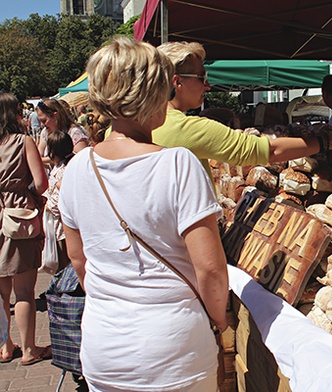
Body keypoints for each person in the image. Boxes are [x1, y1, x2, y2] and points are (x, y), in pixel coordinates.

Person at [59, 36, 229, 391]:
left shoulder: (76, 168)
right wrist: (218, 321)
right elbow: (210, 269)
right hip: (173, 348)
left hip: (104, 345)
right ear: (155, 94)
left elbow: (79, 260)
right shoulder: (178, 163)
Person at [154, 41, 332, 183]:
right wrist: (326, 142)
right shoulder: (186, 129)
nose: (208, 86)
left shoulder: (147, 121)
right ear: (177, 81)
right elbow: (265, 151)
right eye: (202, 77)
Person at [0, 92, 51, 365]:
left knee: (0, 291)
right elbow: (41, 184)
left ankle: (6, 346)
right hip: (19, 216)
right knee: (23, 290)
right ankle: (29, 349)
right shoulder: (23, 141)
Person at [43, 130, 75, 273]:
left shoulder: (65, 169)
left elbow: (59, 198)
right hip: (56, 223)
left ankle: (65, 287)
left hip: (61, 222)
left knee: (64, 258)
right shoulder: (60, 166)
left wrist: (48, 206)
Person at [36, 99, 90, 165]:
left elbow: (79, 158)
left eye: (44, 121)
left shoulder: (75, 132)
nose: (41, 125)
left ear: (56, 116)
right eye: (40, 121)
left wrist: (42, 160)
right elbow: (38, 154)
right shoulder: (45, 132)